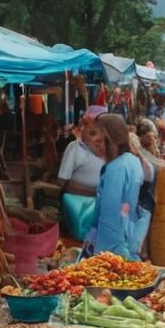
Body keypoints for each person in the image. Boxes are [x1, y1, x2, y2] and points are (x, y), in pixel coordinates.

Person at [83, 114, 151, 260]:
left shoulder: (116, 169)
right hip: (128, 245)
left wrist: (105, 258)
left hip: (116, 254)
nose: (93, 140)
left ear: (108, 137)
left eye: (96, 134)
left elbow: (110, 220)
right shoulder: (132, 160)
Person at [57, 106, 108, 197]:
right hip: (80, 206)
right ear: (83, 131)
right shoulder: (75, 148)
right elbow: (63, 182)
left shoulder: (111, 151)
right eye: (92, 133)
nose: (98, 138)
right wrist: (97, 193)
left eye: (103, 133)